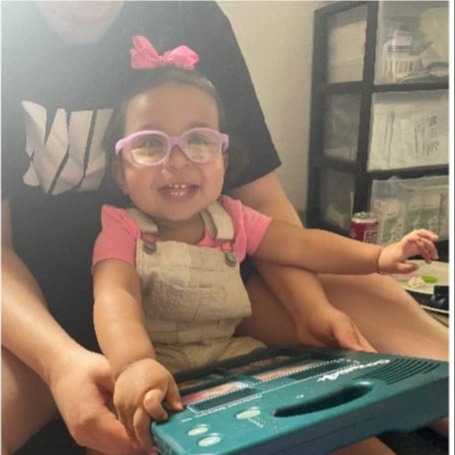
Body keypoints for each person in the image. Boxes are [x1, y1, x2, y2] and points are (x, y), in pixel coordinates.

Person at [1, 2, 448, 455]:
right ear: (120, 167)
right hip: (47, 316)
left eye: (197, 141)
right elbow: (115, 295)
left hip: (228, 325)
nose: (178, 161)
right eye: (151, 144)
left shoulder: (190, 16)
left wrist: (327, 294)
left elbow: (294, 239)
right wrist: (69, 363)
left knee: (384, 374)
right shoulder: (121, 231)